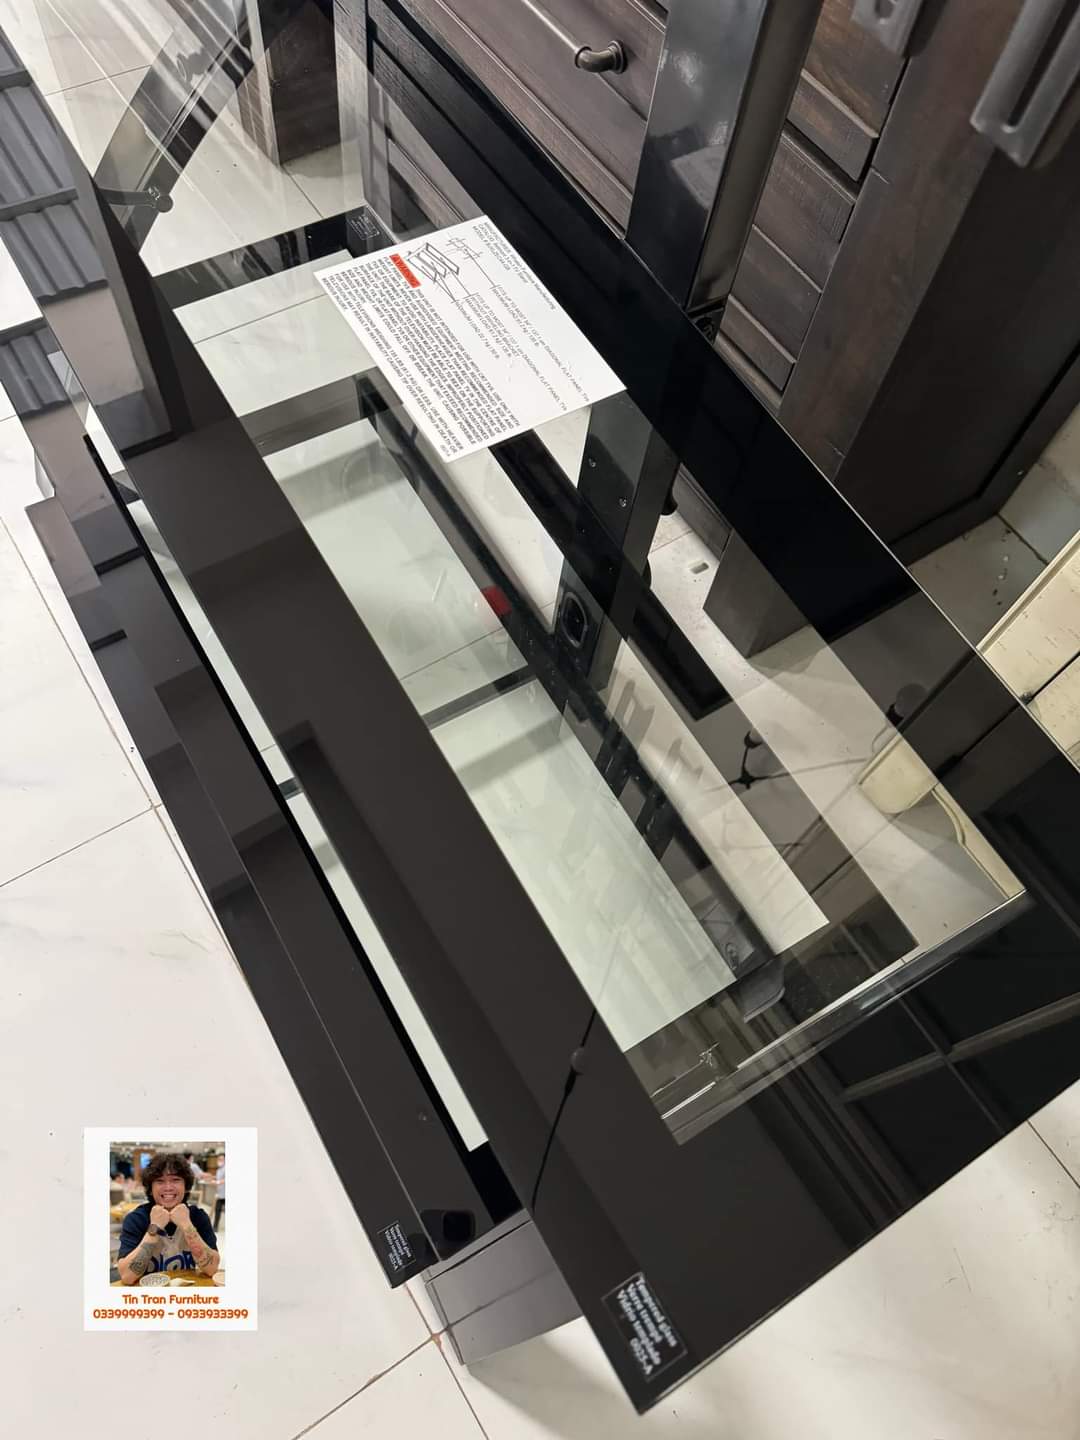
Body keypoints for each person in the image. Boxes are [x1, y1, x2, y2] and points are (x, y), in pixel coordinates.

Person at [116, 1152, 220, 1284]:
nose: (168, 1187)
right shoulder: (136, 1219)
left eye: (176, 1180)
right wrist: (154, 1228)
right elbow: (127, 1277)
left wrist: (186, 1225)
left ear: (186, 1186)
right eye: (160, 1181)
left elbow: (212, 1269)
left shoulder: (198, 1216)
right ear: (150, 1188)